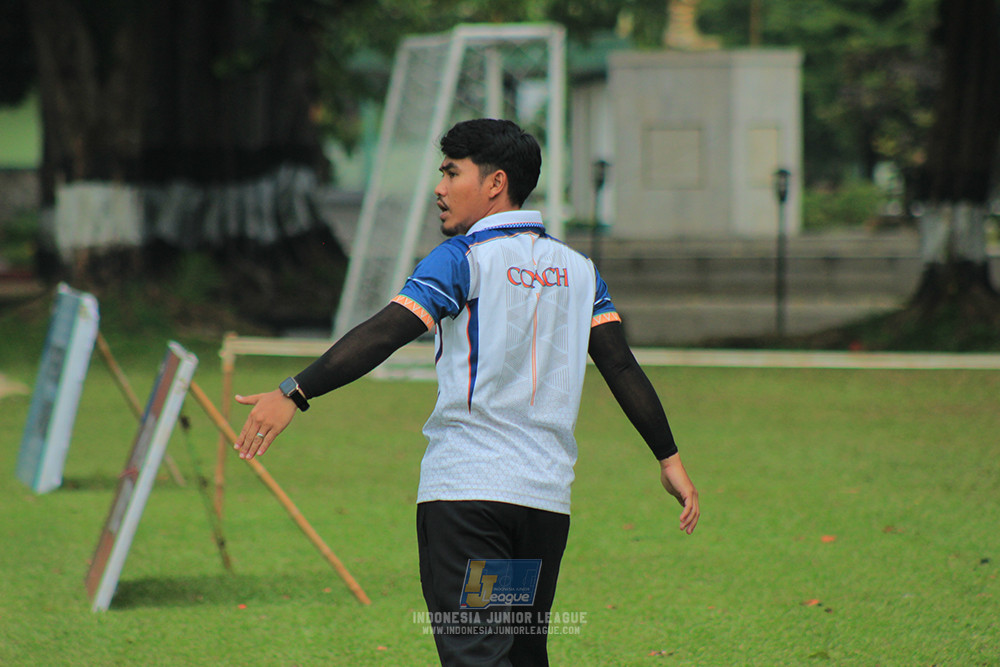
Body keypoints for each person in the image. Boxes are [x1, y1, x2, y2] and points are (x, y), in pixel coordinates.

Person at [234, 118, 699, 666]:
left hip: (469, 500)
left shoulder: (462, 260)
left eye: (452, 172)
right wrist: (668, 457)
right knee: (517, 658)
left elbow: (385, 332)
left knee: (477, 658)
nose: (439, 187)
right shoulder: (579, 271)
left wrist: (294, 391)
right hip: (541, 504)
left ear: (495, 183)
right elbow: (620, 367)